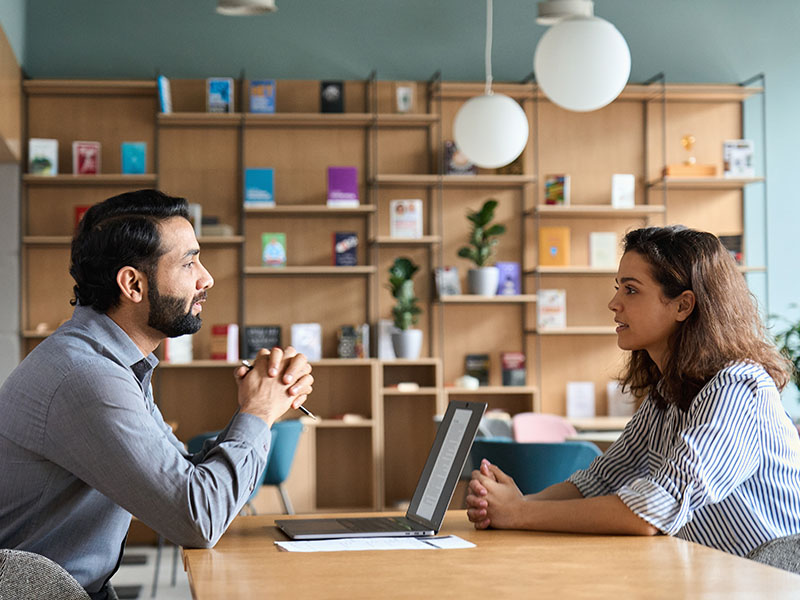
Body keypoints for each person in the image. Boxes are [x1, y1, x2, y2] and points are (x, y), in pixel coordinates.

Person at [0, 189, 314, 599]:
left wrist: (256, 408)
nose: (207, 278)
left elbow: (182, 476)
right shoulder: (87, 377)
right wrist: (257, 411)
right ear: (132, 283)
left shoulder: (111, 362)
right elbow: (197, 517)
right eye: (189, 262)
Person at [467, 225, 800, 557]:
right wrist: (515, 503)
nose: (614, 303)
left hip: (767, 580)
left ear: (683, 306)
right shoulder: (668, 392)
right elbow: (600, 480)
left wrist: (519, 514)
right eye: (618, 288)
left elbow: (651, 510)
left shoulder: (738, 387)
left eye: (631, 290)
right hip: (712, 577)